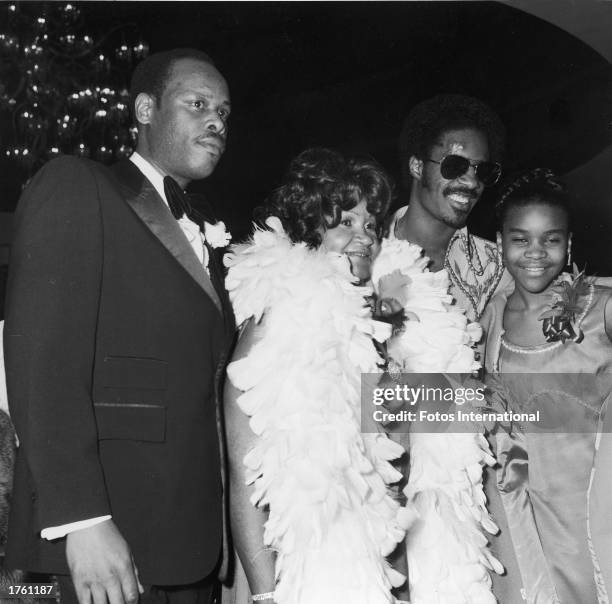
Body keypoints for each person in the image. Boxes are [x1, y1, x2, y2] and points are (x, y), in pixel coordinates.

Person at [4, 48, 235, 604]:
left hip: (191, 546)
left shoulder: (212, 232)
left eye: (224, 113)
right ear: (145, 110)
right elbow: (42, 363)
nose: (216, 122)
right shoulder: (78, 185)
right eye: (198, 104)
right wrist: (81, 519)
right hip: (101, 545)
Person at [222, 148, 411, 604]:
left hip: (353, 556)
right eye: (346, 222)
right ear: (311, 227)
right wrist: (267, 596)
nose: (364, 237)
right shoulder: (275, 318)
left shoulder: (357, 325)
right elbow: (244, 475)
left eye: (370, 225)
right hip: (289, 571)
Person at [479, 168, 612, 603]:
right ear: (500, 243)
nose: (535, 252)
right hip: (535, 526)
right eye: (520, 239)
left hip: (600, 511)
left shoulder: (603, 306)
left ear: (569, 244)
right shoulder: (490, 320)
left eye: (551, 239)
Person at [388, 94, 513, 322]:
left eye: (482, 170)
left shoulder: (500, 269)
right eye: (455, 166)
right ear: (417, 167)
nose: (472, 182)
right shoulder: (364, 251)